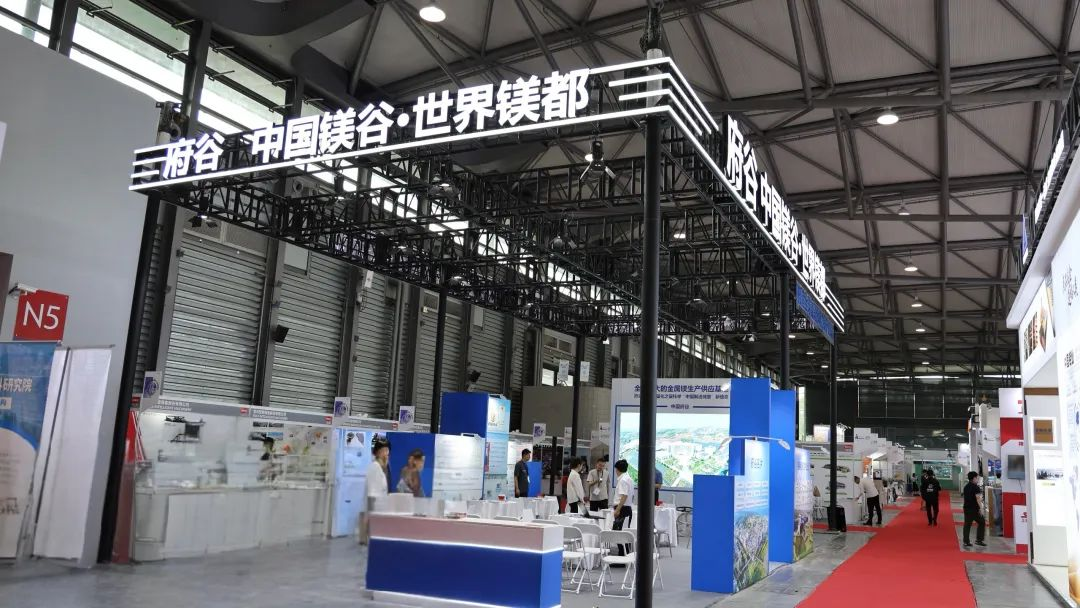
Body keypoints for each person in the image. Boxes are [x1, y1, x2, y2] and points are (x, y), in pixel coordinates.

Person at [361, 435, 390, 544]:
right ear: (377, 453)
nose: (386, 454)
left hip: (379, 509)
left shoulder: (382, 468)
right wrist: (371, 516)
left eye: (387, 450)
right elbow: (372, 493)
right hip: (375, 509)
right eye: (384, 450)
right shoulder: (375, 467)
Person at [962, 471, 987, 547]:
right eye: (977, 478)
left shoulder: (966, 487)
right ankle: (979, 540)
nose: (978, 479)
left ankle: (966, 541)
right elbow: (978, 499)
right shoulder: (976, 487)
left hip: (967, 508)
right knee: (982, 522)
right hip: (974, 509)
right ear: (973, 478)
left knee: (967, 525)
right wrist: (981, 509)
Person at [613, 459, 634, 529]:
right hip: (627, 508)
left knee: (618, 532)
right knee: (625, 531)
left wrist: (617, 510)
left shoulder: (623, 480)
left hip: (622, 509)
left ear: (617, 469)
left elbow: (624, 496)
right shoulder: (629, 479)